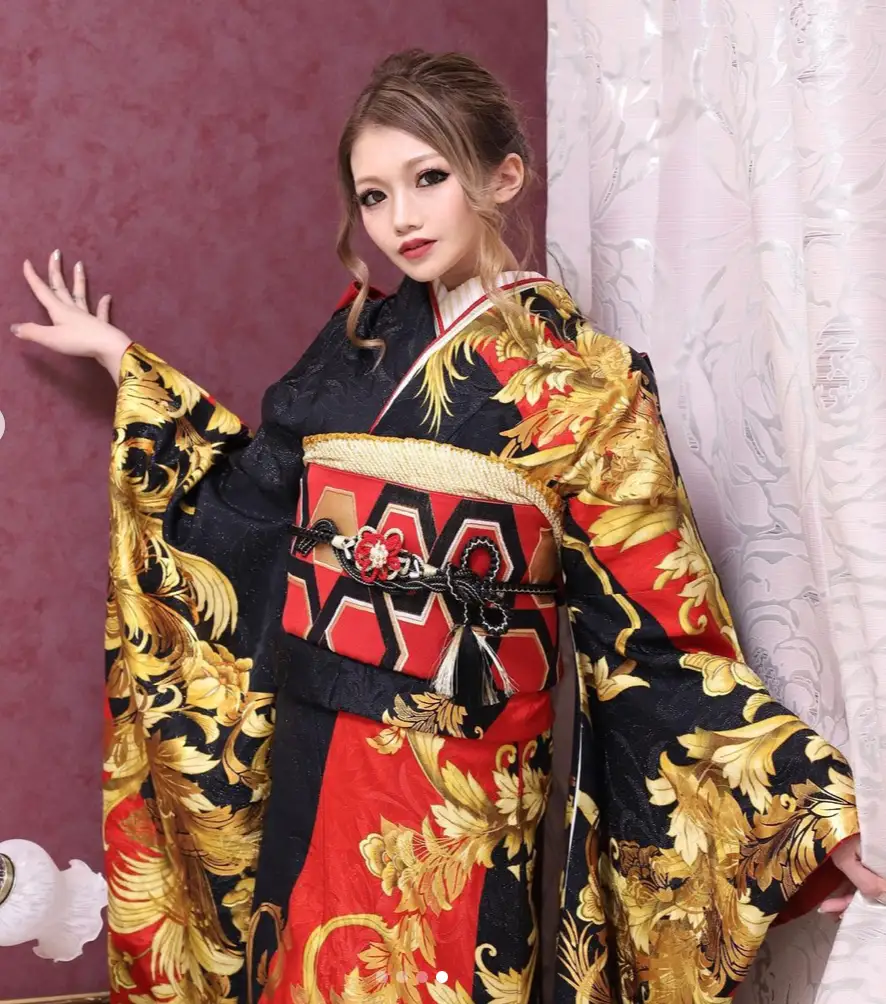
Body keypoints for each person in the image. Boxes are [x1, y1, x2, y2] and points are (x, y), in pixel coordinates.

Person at [11, 49, 886, 1004]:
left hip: (466, 771)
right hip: (314, 735)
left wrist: (801, 820)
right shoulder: (357, 344)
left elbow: (656, 633)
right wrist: (124, 363)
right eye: (374, 195)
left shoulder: (589, 385)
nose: (401, 219)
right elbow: (253, 503)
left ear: (503, 175)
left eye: (428, 178)